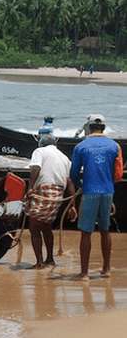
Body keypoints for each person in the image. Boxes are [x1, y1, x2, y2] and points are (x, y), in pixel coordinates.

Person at [70, 114, 123, 280]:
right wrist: (107, 182)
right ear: (104, 128)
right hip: (107, 192)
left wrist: (81, 185)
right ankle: (106, 269)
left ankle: (84, 273)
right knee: (105, 230)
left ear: (88, 127)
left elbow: (73, 174)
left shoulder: (80, 147)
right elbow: (118, 174)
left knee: (86, 232)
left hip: (89, 192)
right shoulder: (115, 146)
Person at [24, 134, 77, 269]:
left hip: (44, 191)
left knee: (34, 228)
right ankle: (50, 259)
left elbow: (35, 168)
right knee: (46, 226)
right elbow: (69, 181)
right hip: (58, 193)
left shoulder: (39, 151)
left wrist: (30, 188)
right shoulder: (64, 157)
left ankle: (39, 262)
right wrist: (72, 204)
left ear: (41, 143)